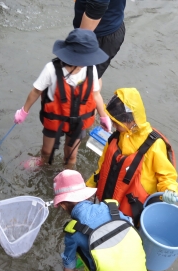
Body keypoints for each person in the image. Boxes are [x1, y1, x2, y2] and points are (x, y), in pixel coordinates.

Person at [14, 29, 112, 169]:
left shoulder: (91, 70)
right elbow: (36, 91)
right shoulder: (51, 69)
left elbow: (96, 94)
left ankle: (68, 174)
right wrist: (24, 111)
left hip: (78, 121)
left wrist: (104, 117)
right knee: (47, 151)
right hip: (55, 118)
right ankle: (42, 161)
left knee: (71, 156)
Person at [86, 87, 178, 226]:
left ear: (131, 120)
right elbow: (102, 167)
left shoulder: (154, 144)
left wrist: (170, 190)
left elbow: (167, 175)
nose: (114, 125)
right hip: (108, 202)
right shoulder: (116, 138)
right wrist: (87, 188)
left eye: (117, 122)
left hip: (131, 211)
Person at [53, 169, 148, 271]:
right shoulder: (111, 207)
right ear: (86, 195)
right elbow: (129, 223)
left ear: (63, 205)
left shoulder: (73, 231)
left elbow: (69, 266)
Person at [74, 0, 126, 87]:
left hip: (100, 36)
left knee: (84, 81)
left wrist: (79, 48)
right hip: (105, 25)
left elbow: (95, 11)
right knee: (94, 77)